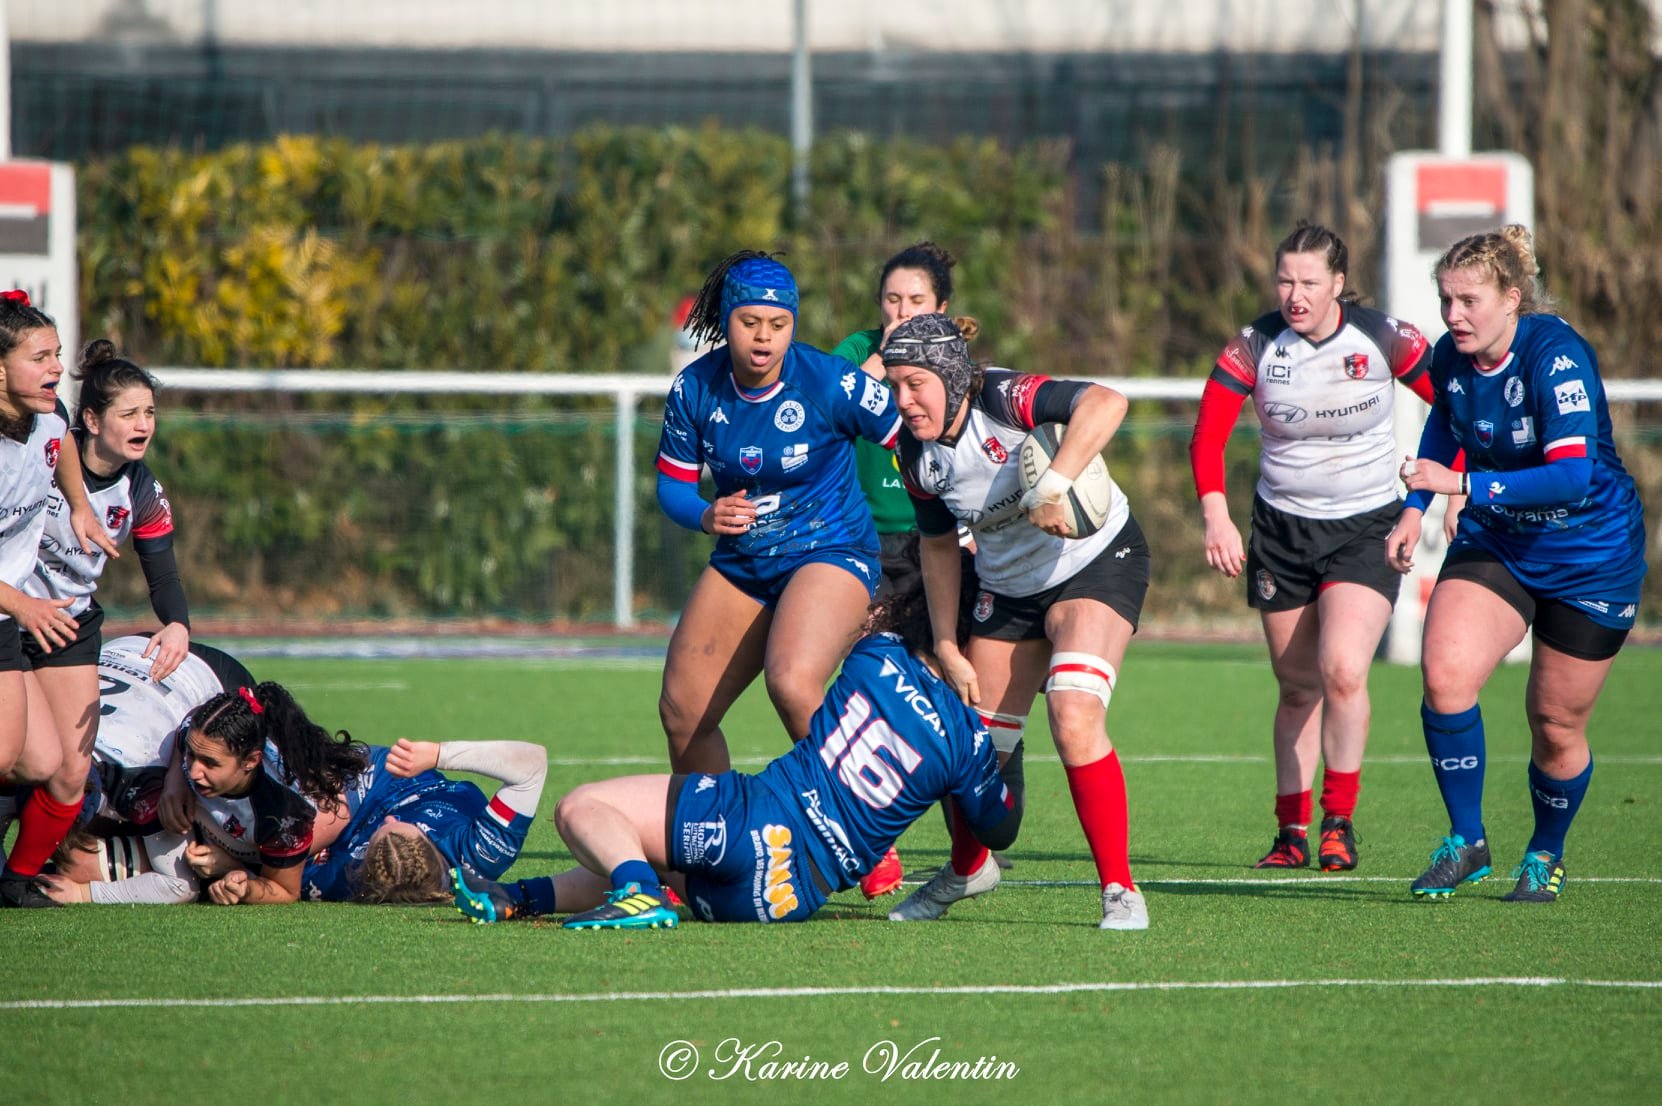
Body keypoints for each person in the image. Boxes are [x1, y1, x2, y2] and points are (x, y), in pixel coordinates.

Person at [450, 570, 1021, 929]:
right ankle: (519, 898)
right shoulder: (967, 742)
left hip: (754, 822)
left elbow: (866, 624)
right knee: (640, 849)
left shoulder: (878, 654)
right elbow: (997, 829)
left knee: (581, 809)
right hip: (782, 896)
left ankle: (639, 896)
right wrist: (1001, 743)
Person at [1388, 224, 1646, 903]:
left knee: (1555, 725)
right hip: (1501, 540)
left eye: (1469, 301)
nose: (1453, 316)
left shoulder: (1556, 357)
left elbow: (1569, 478)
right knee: (1444, 674)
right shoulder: (1451, 357)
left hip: (1592, 555)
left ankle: (1545, 852)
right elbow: (1443, 428)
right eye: (1446, 300)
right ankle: (1467, 840)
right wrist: (1417, 506)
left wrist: (1463, 486)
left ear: (1512, 298)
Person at [881, 312, 1151, 930]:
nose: (905, 399)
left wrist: (1051, 485)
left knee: (1074, 712)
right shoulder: (914, 452)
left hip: (1097, 563)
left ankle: (1120, 889)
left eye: (915, 383)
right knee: (969, 745)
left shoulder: (1003, 397)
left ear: (949, 375)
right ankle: (969, 869)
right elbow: (940, 548)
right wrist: (948, 644)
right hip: (1007, 589)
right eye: (896, 384)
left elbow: (1108, 402)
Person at [1188, 222, 1444, 871]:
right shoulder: (1255, 344)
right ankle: (1290, 832)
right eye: (1284, 280)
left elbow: (1458, 410)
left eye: (1308, 282)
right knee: (1298, 686)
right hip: (1281, 530)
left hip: (1365, 527)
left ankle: (1339, 822)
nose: (1294, 294)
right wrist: (1216, 517)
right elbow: (1208, 435)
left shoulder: (1385, 337)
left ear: (1338, 283)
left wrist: (1438, 494)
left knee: (1343, 669)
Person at [654, 250, 901, 778]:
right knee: (682, 711)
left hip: (830, 550)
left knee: (791, 682)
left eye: (778, 324)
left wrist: (956, 525)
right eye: (750, 323)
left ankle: (867, 839)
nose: (764, 337)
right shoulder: (694, 388)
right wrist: (705, 515)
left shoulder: (830, 382)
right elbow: (673, 487)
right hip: (745, 562)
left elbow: (921, 436)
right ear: (725, 323)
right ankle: (720, 840)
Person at [829, 240, 982, 899]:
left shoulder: (955, 365)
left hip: (940, 545)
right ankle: (874, 845)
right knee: (855, 689)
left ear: (941, 308)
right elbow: (845, 409)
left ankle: (966, 854)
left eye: (916, 302)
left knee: (944, 694)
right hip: (861, 542)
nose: (902, 310)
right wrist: (887, 349)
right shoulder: (853, 354)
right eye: (892, 300)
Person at [0, 290, 120, 908]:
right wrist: (22, 606)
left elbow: (62, 446)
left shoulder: (47, 421)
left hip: (25, 613)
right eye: (40, 356)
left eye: (58, 354)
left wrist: (78, 506)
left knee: (56, 762)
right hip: (11, 612)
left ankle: (16, 885)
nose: (55, 368)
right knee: (7, 753)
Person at [35, 633, 253, 905]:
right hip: (131, 649)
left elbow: (180, 886)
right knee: (71, 850)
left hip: (211, 677)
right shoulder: (28, 759)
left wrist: (83, 893)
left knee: (79, 862)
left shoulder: (137, 783)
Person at [147, 680, 367, 905]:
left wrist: (241, 884)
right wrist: (173, 781)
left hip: (354, 801)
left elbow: (284, 891)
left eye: (209, 763)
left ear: (251, 761)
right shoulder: (202, 734)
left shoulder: (283, 814)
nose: (193, 772)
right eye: (191, 755)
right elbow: (187, 725)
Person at [301, 736, 547, 904]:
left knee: (301, 835)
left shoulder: (342, 879)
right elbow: (532, 764)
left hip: (365, 783)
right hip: (395, 778)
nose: (388, 818)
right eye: (402, 824)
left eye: (381, 830)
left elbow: (278, 878)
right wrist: (438, 754)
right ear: (432, 846)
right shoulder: (481, 853)